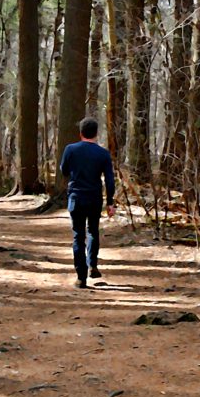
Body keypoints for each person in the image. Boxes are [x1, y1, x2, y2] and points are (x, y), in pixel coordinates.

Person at [59, 117, 116, 289]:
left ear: (81, 133)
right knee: (93, 231)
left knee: (78, 236)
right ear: (96, 133)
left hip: (76, 197)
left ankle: (81, 277)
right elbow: (110, 181)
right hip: (94, 198)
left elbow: (63, 170)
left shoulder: (70, 149)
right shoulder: (103, 154)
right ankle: (93, 266)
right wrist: (110, 202)